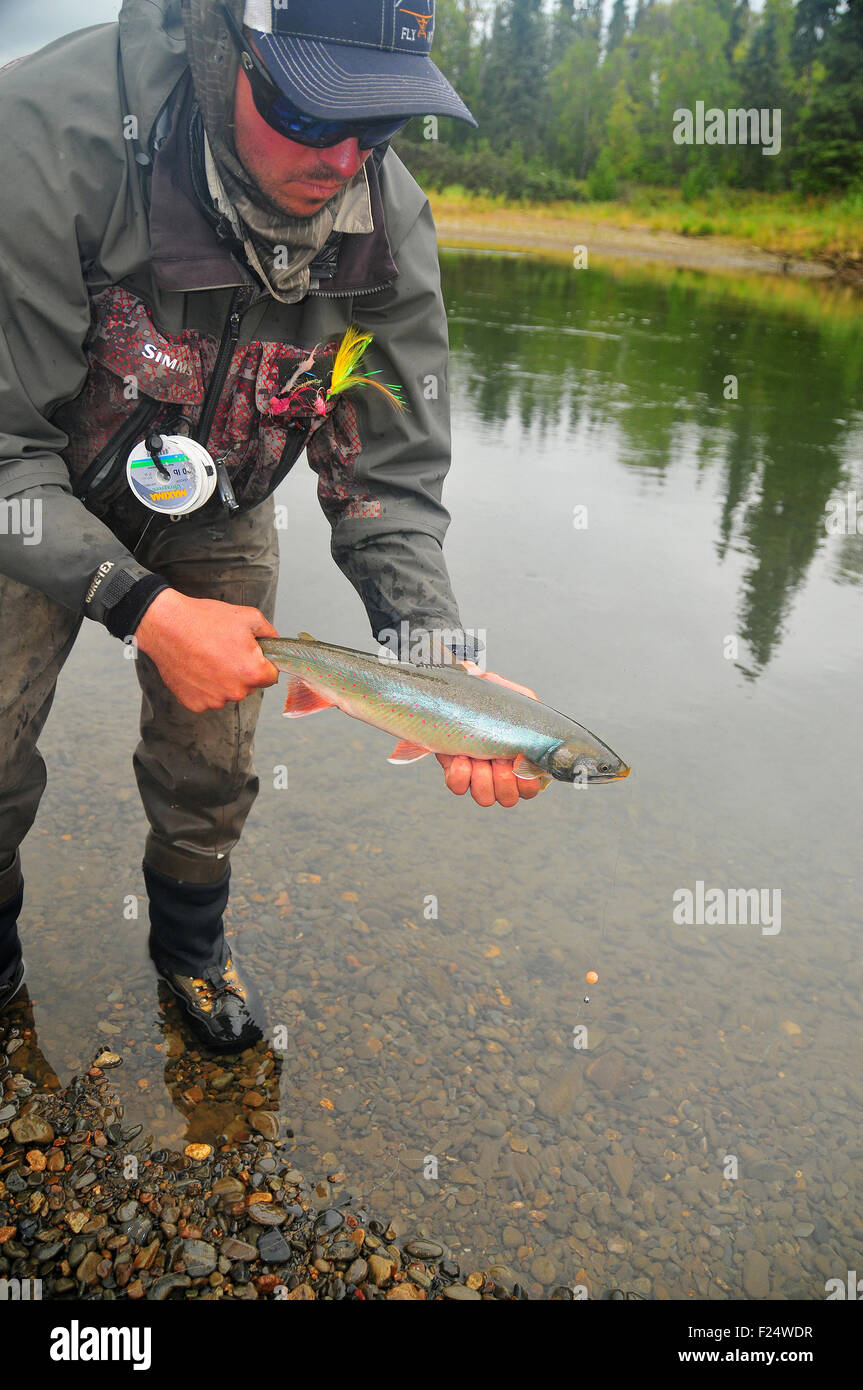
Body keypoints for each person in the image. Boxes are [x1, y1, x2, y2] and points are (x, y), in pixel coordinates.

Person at [0, 0, 541, 1051]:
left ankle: (190, 953)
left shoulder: (389, 221)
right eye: (309, 111)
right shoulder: (41, 136)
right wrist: (141, 607)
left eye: (378, 124)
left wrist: (433, 658)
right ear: (222, 50)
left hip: (222, 499)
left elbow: (385, 477)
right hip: (32, 487)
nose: (343, 158)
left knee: (213, 756)